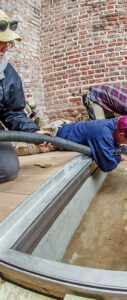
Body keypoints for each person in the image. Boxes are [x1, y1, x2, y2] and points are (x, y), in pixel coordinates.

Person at [0, 9, 49, 183]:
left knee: (7, 168)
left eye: (6, 42)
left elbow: (12, 113)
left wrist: (33, 132)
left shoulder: (9, 75)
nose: (5, 47)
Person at [57, 115, 127, 172]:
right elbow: (107, 165)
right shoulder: (103, 135)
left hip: (68, 127)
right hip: (58, 136)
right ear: (121, 135)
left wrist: (118, 145)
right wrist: (119, 157)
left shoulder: (114, 123)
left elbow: (112, 139)